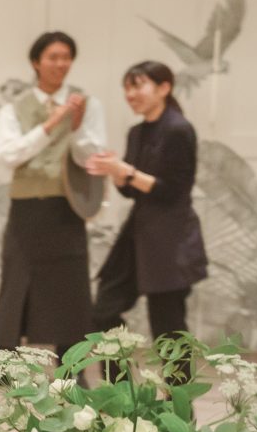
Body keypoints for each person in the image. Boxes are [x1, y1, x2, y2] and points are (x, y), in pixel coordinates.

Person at [0, 31, 109, 361]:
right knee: (16, 282)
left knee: (71, 287)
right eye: (53, 57)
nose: (61, 64)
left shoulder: (88, 105)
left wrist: (76, 128)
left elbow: (92, 157)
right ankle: (3, 365)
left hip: (67, 206)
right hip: (26, 207)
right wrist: (52, 123)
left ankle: (72, 368)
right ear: (36, 62)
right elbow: (8, 155)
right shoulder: (13, 108)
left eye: (66, 57)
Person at [87, 60, 208, 341]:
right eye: (127, 89)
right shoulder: (136, 132)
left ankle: (178, 375)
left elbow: (173, 190)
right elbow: (132, 191)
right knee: (104, 310)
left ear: (164, 88)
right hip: (138, 234)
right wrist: (116, 173)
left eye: (138, 86)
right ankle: (120, 370)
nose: (130, 95)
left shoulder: (178, 129)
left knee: (167, 325)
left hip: (171, 239)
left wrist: (126, 172)